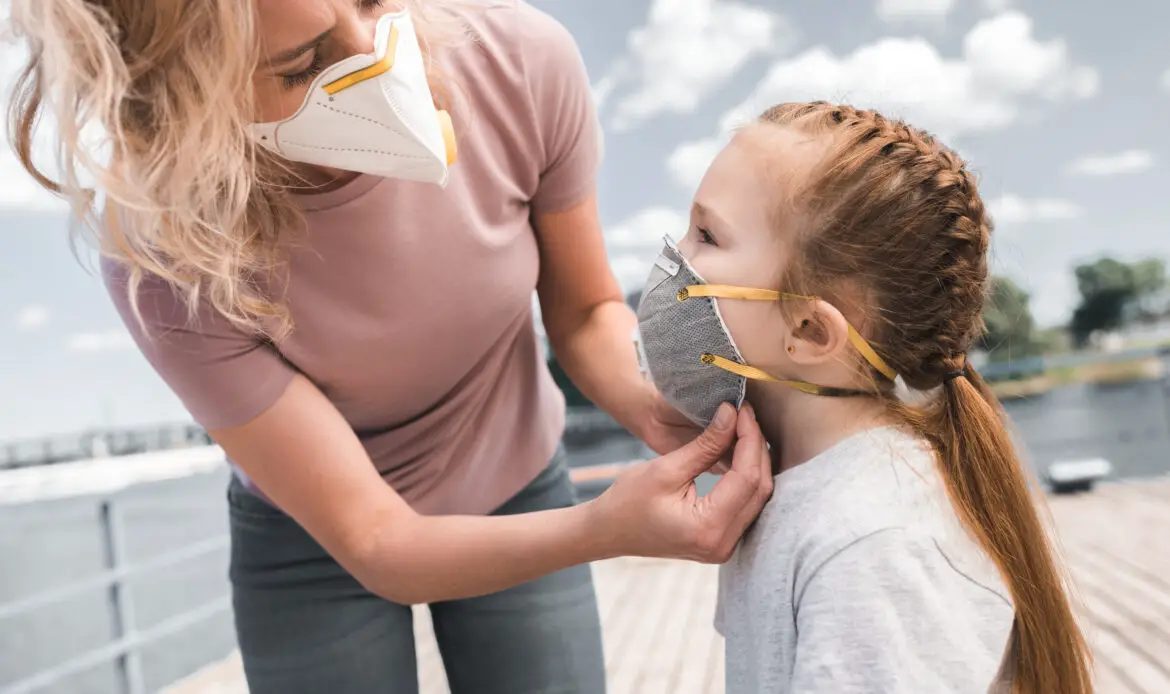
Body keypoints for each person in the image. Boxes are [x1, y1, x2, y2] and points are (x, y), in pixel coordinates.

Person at [5, 1, 774, 693]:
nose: (375, 54)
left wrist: (651, 408)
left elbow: (581, 314)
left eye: (373, 1)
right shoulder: (159, 251)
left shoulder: (522, 59)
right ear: (174, 100)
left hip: (517, 474)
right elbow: (379, 541)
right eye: (303, 64)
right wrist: (607, 526)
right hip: (313, 539)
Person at [633, 101, 1093, 694]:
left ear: (809, 331)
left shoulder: (873, 546)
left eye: (707, 235)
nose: (674, 262)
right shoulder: (795, 488)